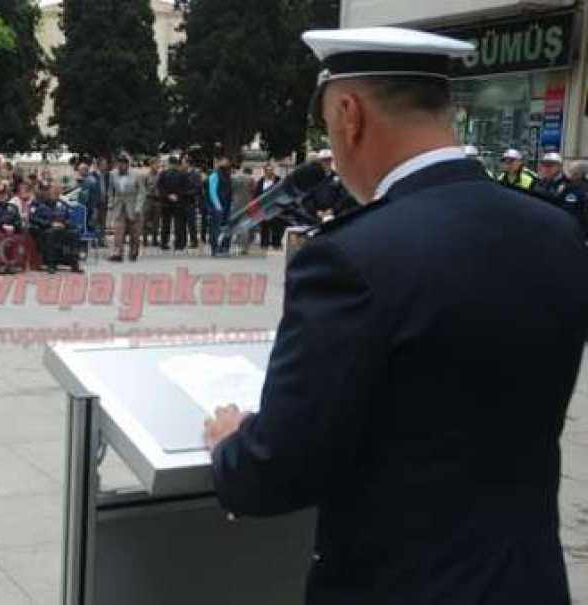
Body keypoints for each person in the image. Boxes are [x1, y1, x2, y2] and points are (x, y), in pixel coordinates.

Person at [203, 27, 588, 604]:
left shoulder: (350, 256)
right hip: (526, 582)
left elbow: (276, 468)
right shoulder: (554, 230)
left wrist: (230, 446)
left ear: (349, 114)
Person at [532, 152, 588, 236]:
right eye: (544, 165)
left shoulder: (569, 185)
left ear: (560, 167)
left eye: (550, 165)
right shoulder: (539, 183)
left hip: (560, 229)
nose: (546, 168)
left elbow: (569, 212)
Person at [29, 182, 81, 273]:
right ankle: (51, 264)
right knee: (52, 233)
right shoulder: (37, 203)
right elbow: (33, 218)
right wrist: (50, 224)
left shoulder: (62, 204)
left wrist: (65, 224)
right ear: (48, 192)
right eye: (53, 192)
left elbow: (68, 218)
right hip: (45, 229)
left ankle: (74, 263)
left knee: (74, 233)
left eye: (57, 192)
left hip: (62, 228)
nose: (56, 194)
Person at [107, 156, 147, 262]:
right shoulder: (113, 174)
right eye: (119, 164)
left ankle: (133, 252)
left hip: (133, 206)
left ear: (127, 165)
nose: (120, 166)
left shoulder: (137, 175)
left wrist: (138, 207)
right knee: (118, 231)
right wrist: (111, 202)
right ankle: (118, 253)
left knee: (134, 232)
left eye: (123, 164)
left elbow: (142, 192)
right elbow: (111, 190)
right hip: (119, 206)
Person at [157, 156, 190, 251]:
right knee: (179, 224)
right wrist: (177, 195)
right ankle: (179, 244)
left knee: (165, 224)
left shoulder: (163, 174)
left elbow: (160, 187)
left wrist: (168, 195)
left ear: (169, 163)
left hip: (165, 202)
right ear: (177, 164)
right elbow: (186, 188)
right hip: (179, 202)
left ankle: (164, 243)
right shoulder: (182, 175)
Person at [206, 156, 232, 257]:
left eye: (227, 161)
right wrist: (218, 206)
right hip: (218, 207)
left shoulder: (227, 175)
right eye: (224, 160)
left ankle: (224, 248)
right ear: (219, 162)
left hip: (226, 206)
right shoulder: (214, 175)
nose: (226, 162)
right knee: (215, 228)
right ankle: (215, 249)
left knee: (226, 228)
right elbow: (212, 192)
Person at [255, 164, 284, 250]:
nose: (269, 172)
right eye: (267, 170)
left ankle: (276, 244)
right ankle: (264, 244)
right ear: (264, 171)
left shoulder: (278, 180)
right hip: (264, 207)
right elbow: (257, 194)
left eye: (271, 170)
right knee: (264, 226)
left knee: (276, 227)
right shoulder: (260, 182)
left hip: (275, 207)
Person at [142, 158, 162, 246]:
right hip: (148, 199)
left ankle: (155, 239)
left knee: (156, 221)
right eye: (155, 164)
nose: (157, 166)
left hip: (157, 200)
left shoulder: (160, 175)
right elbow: (143, 188)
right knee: (145, 220)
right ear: (151, 165)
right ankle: (145, 239)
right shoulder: (146, 176)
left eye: (158, 164)